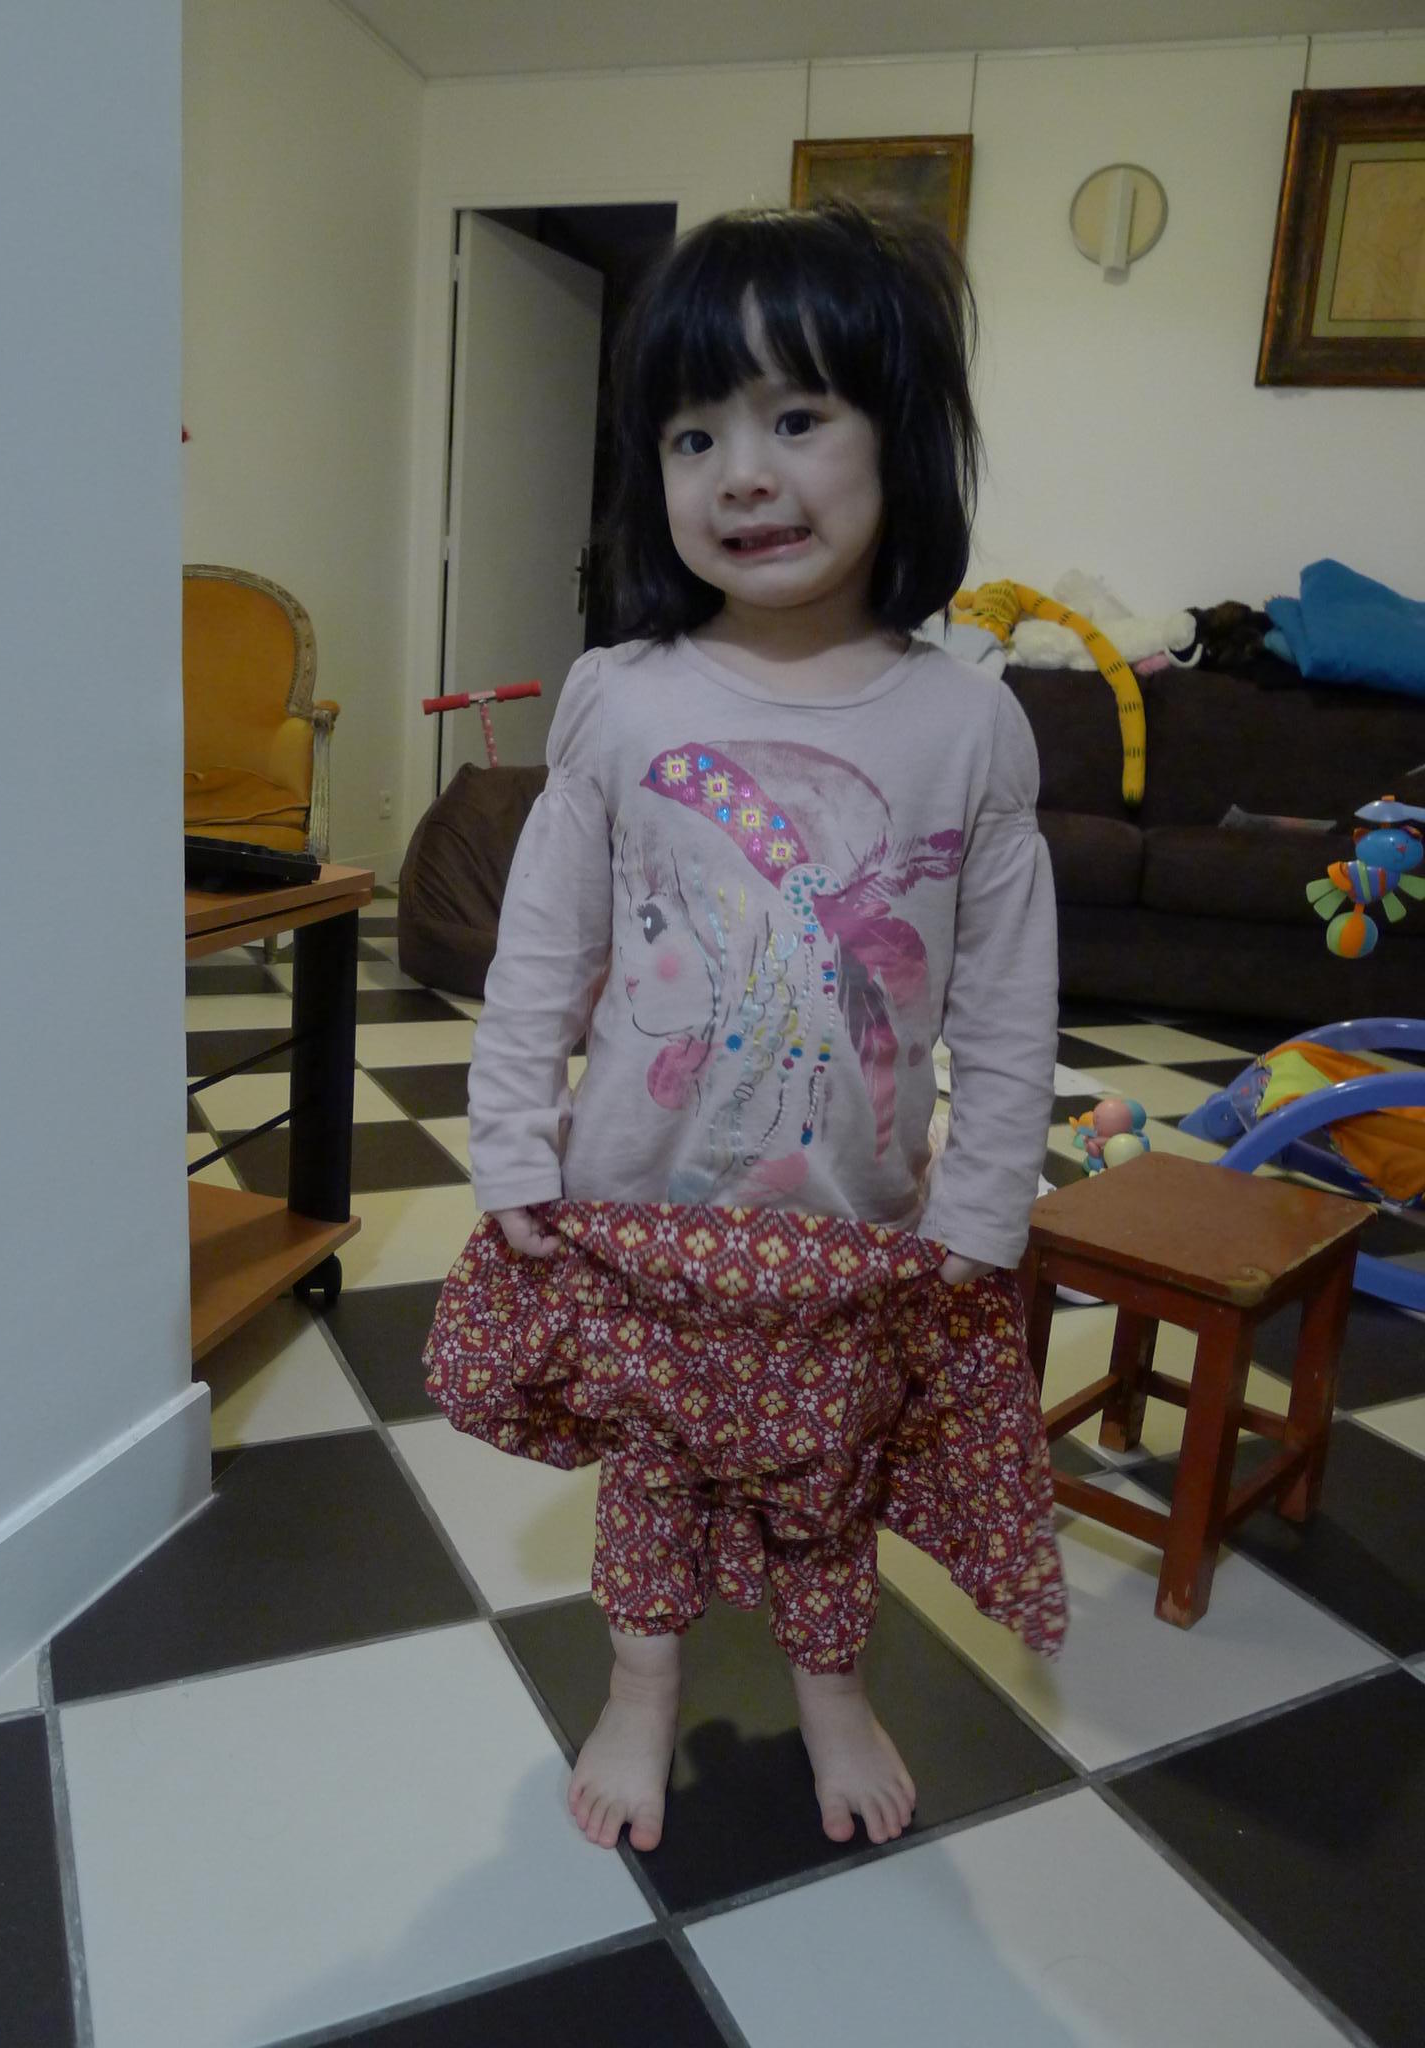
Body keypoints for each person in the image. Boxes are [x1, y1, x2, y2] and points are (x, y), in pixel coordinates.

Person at [424, 201, 1062, 1859]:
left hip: (857, 1230)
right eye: (694, 434)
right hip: (637, 1209)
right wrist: (511, 1149)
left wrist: (987, 1210)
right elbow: (542, 953)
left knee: (826, 1474)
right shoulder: (622, 698)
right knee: (654, 1473)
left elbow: (1008, 1004)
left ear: (900, 438)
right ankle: (638, 1689)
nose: (741, 475)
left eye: (797, 417)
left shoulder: (970, 726)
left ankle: (831, 1687)